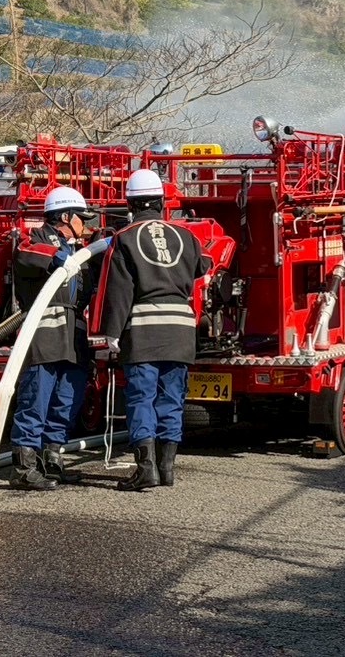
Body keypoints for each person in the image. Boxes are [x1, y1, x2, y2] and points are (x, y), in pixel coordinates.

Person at [98, 169, 210, 491]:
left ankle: (146, 469)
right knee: (172, 398)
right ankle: (167, 468)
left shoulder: (125, 238)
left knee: (141, 398)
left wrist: (111, 334)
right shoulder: (186, 235)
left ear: (130, 203)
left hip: (145, 331)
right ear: (162, 202)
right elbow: (204, 264)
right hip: (181, 331)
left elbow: (119, 290)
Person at [6, 186, 99, 491]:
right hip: (44, 336)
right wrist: (59, 256)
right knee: (36, 400)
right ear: (64, 216)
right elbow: (27, 254)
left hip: (73, 337)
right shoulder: (36, 240)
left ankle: (52, 459)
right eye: (80, 218)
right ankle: (24, 466)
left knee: (66, 402)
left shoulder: (80, 250)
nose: (85, 224)